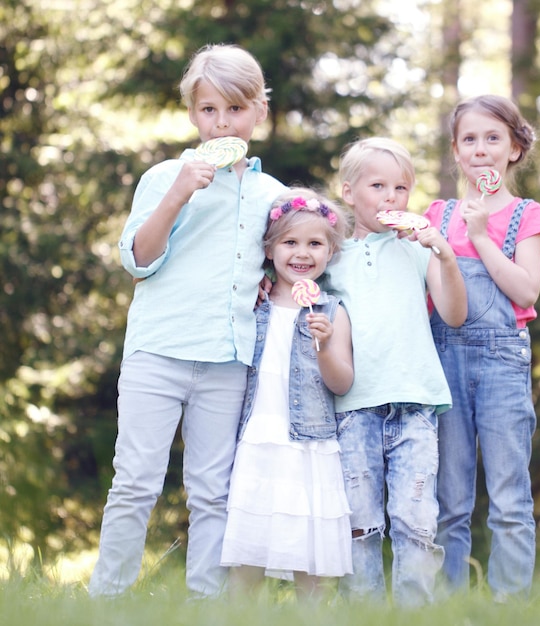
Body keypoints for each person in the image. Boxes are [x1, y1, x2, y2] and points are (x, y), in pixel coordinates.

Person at [89, 44, 287, 599]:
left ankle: (208, 603)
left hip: (226, 360)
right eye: (208, 110)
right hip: (158, 351)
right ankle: (106, 598)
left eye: (235, 109)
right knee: (134, 483)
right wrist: (178, 193)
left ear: (259, 111)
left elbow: (281, 263)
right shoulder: (164, 176)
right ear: (192, 114)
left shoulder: (273, 195)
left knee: (214, 491)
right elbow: (139, 260)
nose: (222, 122)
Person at [323, 137, 468, 607]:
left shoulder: (418, 250)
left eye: (401, 188)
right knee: (359, 524)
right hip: (353, 408)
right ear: (349, 191)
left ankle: (416, 613)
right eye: (378, 186)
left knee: (416, 521)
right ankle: (362, 612)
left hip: (416, 404)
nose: (391, 197)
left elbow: (453, 314)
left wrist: (444, 253)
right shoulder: (332, 256)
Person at [424, 95, 540, 601]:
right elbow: (426, 293)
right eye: (470, 140)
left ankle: (509, 604)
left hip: (502, 362)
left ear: (515, 149)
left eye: (493, 138)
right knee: (450, 499)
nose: (481, 150)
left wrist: (479, 237)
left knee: (509, 499)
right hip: (444, 357)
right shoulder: (440, 213)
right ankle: (449, 602)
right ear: (456, 152)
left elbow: (525, 290)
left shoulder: (526, 213)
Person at [220, 188, 354, 602]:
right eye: (290, 242)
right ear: (270, 249)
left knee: (308, 552)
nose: (302, 253)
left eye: (315, 244)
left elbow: (341, 382)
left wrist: (326, 346)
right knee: (250, 544)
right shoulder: (252, 305)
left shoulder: (332, 311)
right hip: (258, 439)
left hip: (308, 443)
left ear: (330, 252)